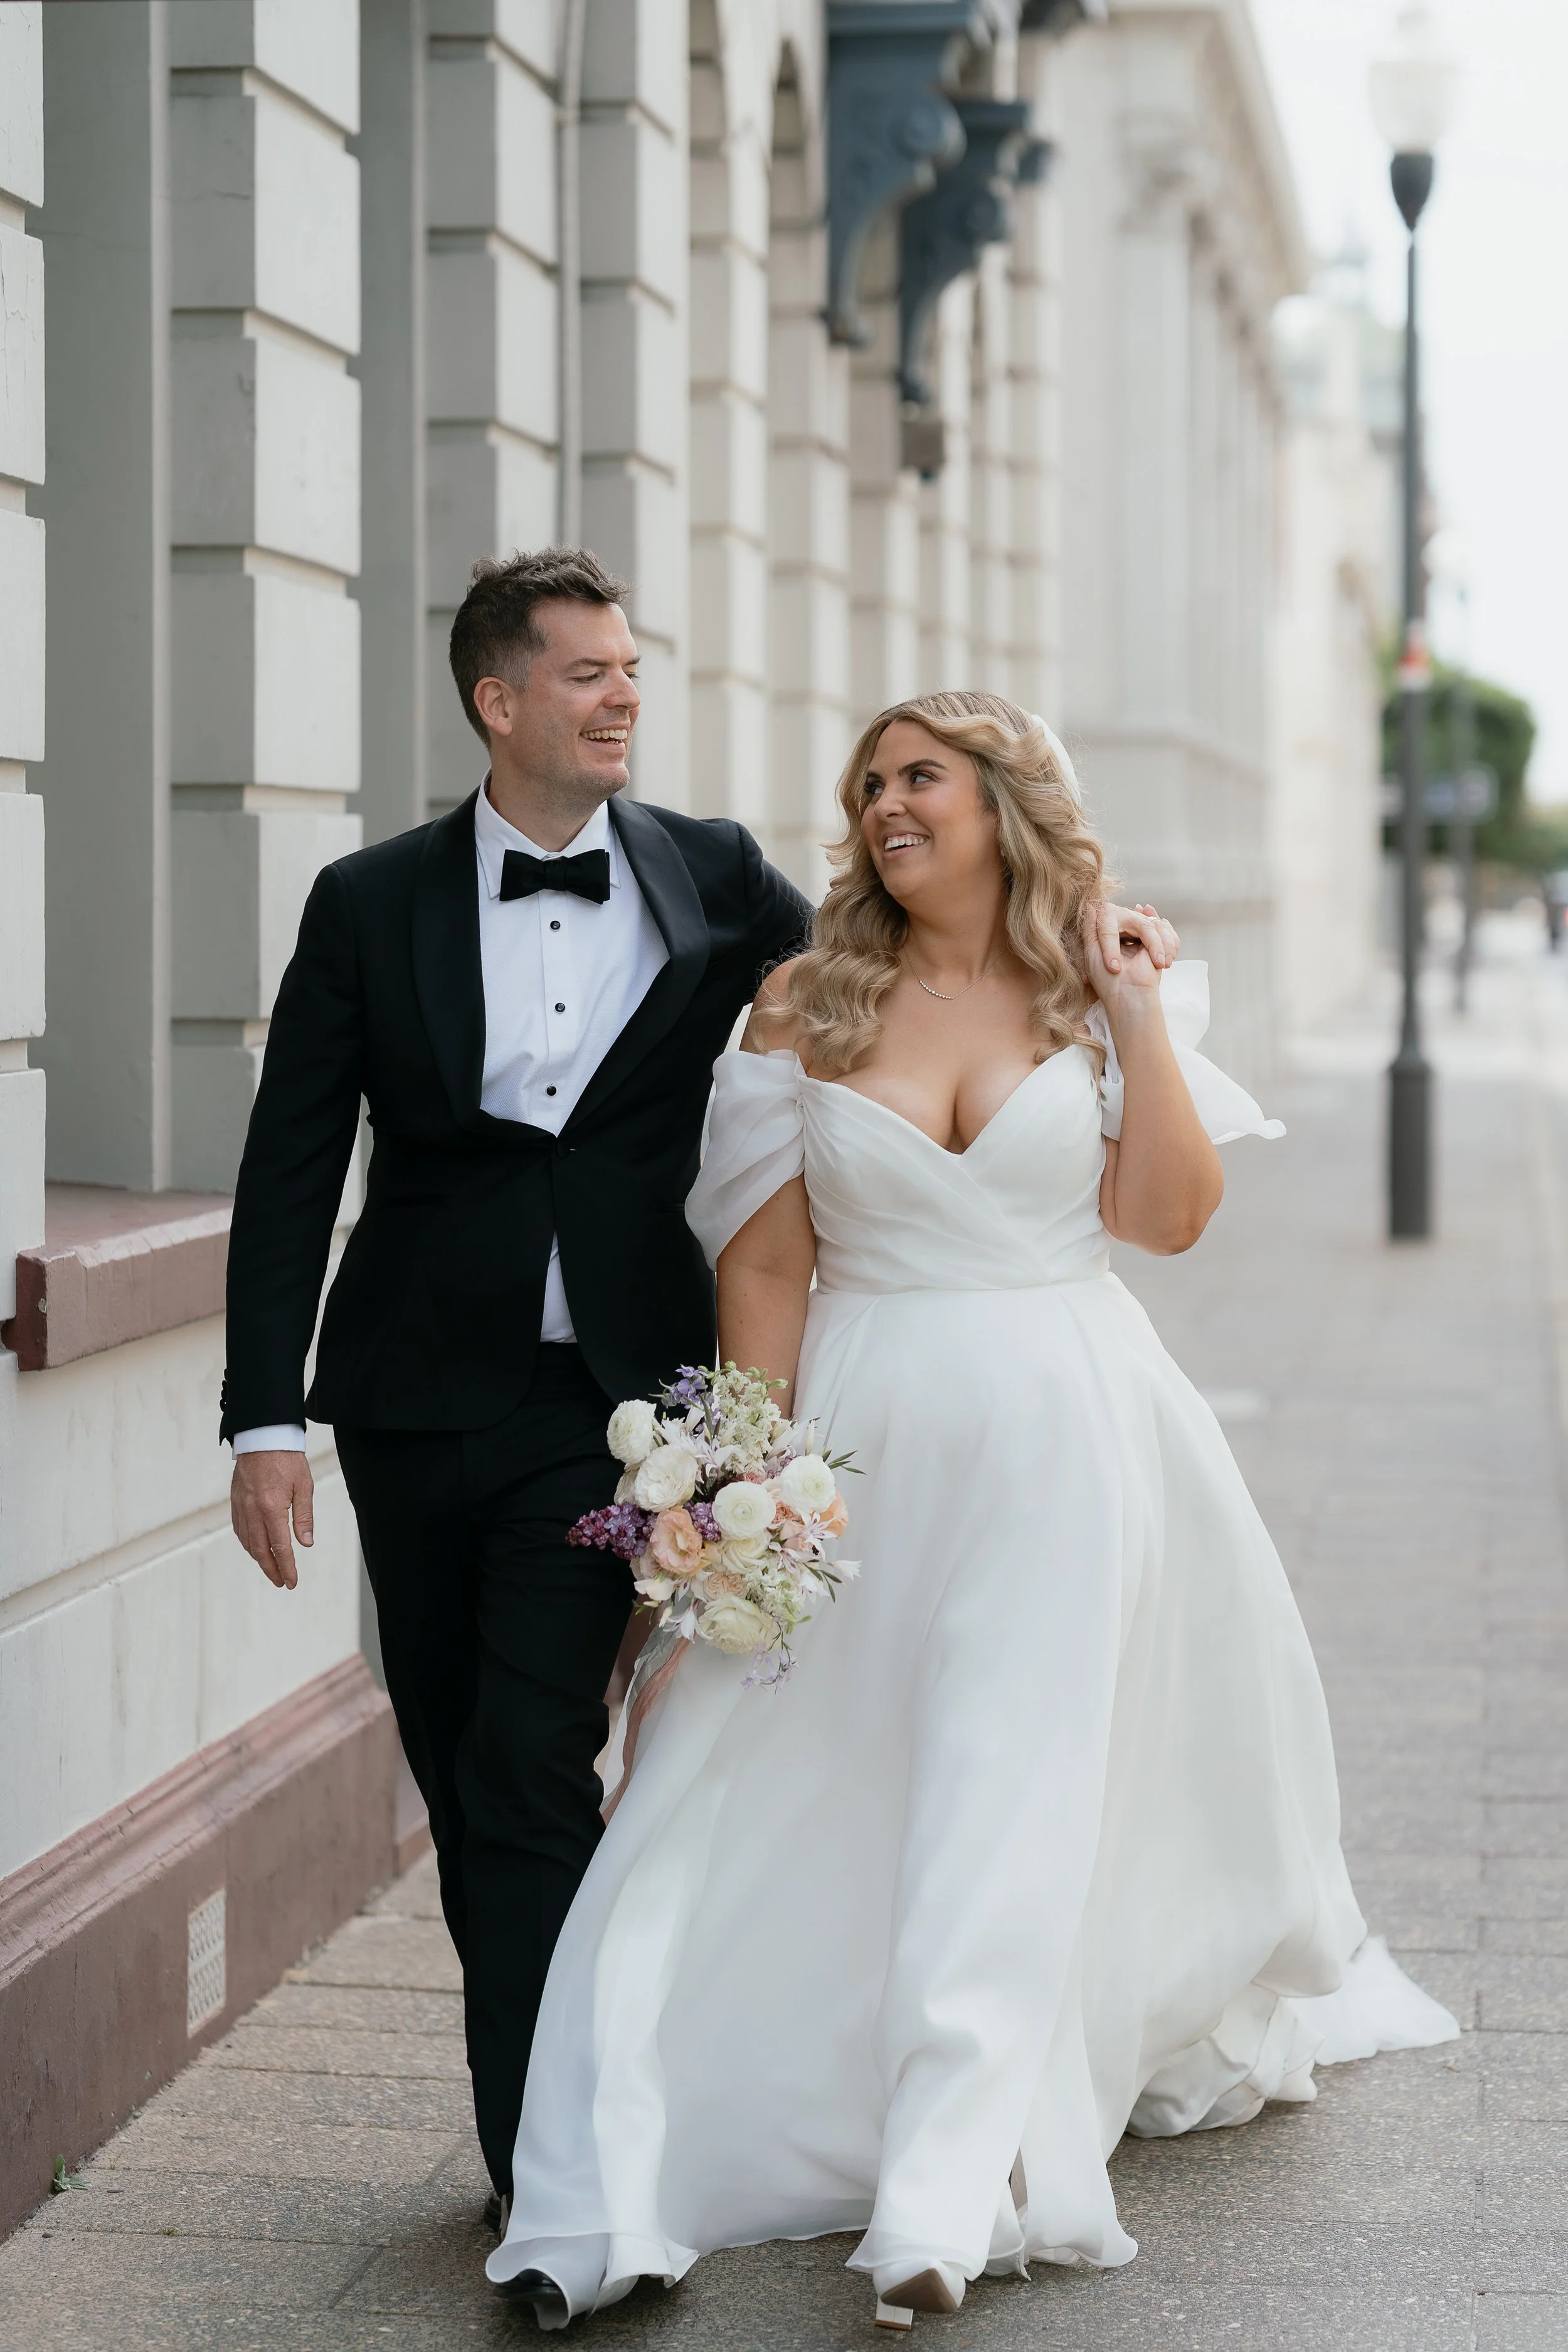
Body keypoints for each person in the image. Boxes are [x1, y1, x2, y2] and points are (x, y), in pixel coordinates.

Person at [489, 691, 1458, 2329]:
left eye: (919, 774)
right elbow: (768, 1269)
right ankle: (634, 2159)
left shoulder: (1100, 990)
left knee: (1007, 1784)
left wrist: (1140, 1018)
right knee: (760, 1777)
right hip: (860, 1446)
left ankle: (946, 2185)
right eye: (867, 781)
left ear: (1009, 799)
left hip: (1069, 1442)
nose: (882, 801)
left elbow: (1163, 1218)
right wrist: (733, 1504)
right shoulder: (804, 1001)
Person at [220, 546, 818, 2215]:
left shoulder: (709, 875)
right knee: (462, 1746)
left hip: (614, 1410)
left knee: (535, 1759)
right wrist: (266, 1413)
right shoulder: (370, 899)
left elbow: (863, 993)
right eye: (586, 673)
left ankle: (546, 2169)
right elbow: (289, 1167)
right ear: (500, 701)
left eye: (630, 669)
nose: (624, 693)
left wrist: (1072, 964)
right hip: (412, 1398)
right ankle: (550, 2092)